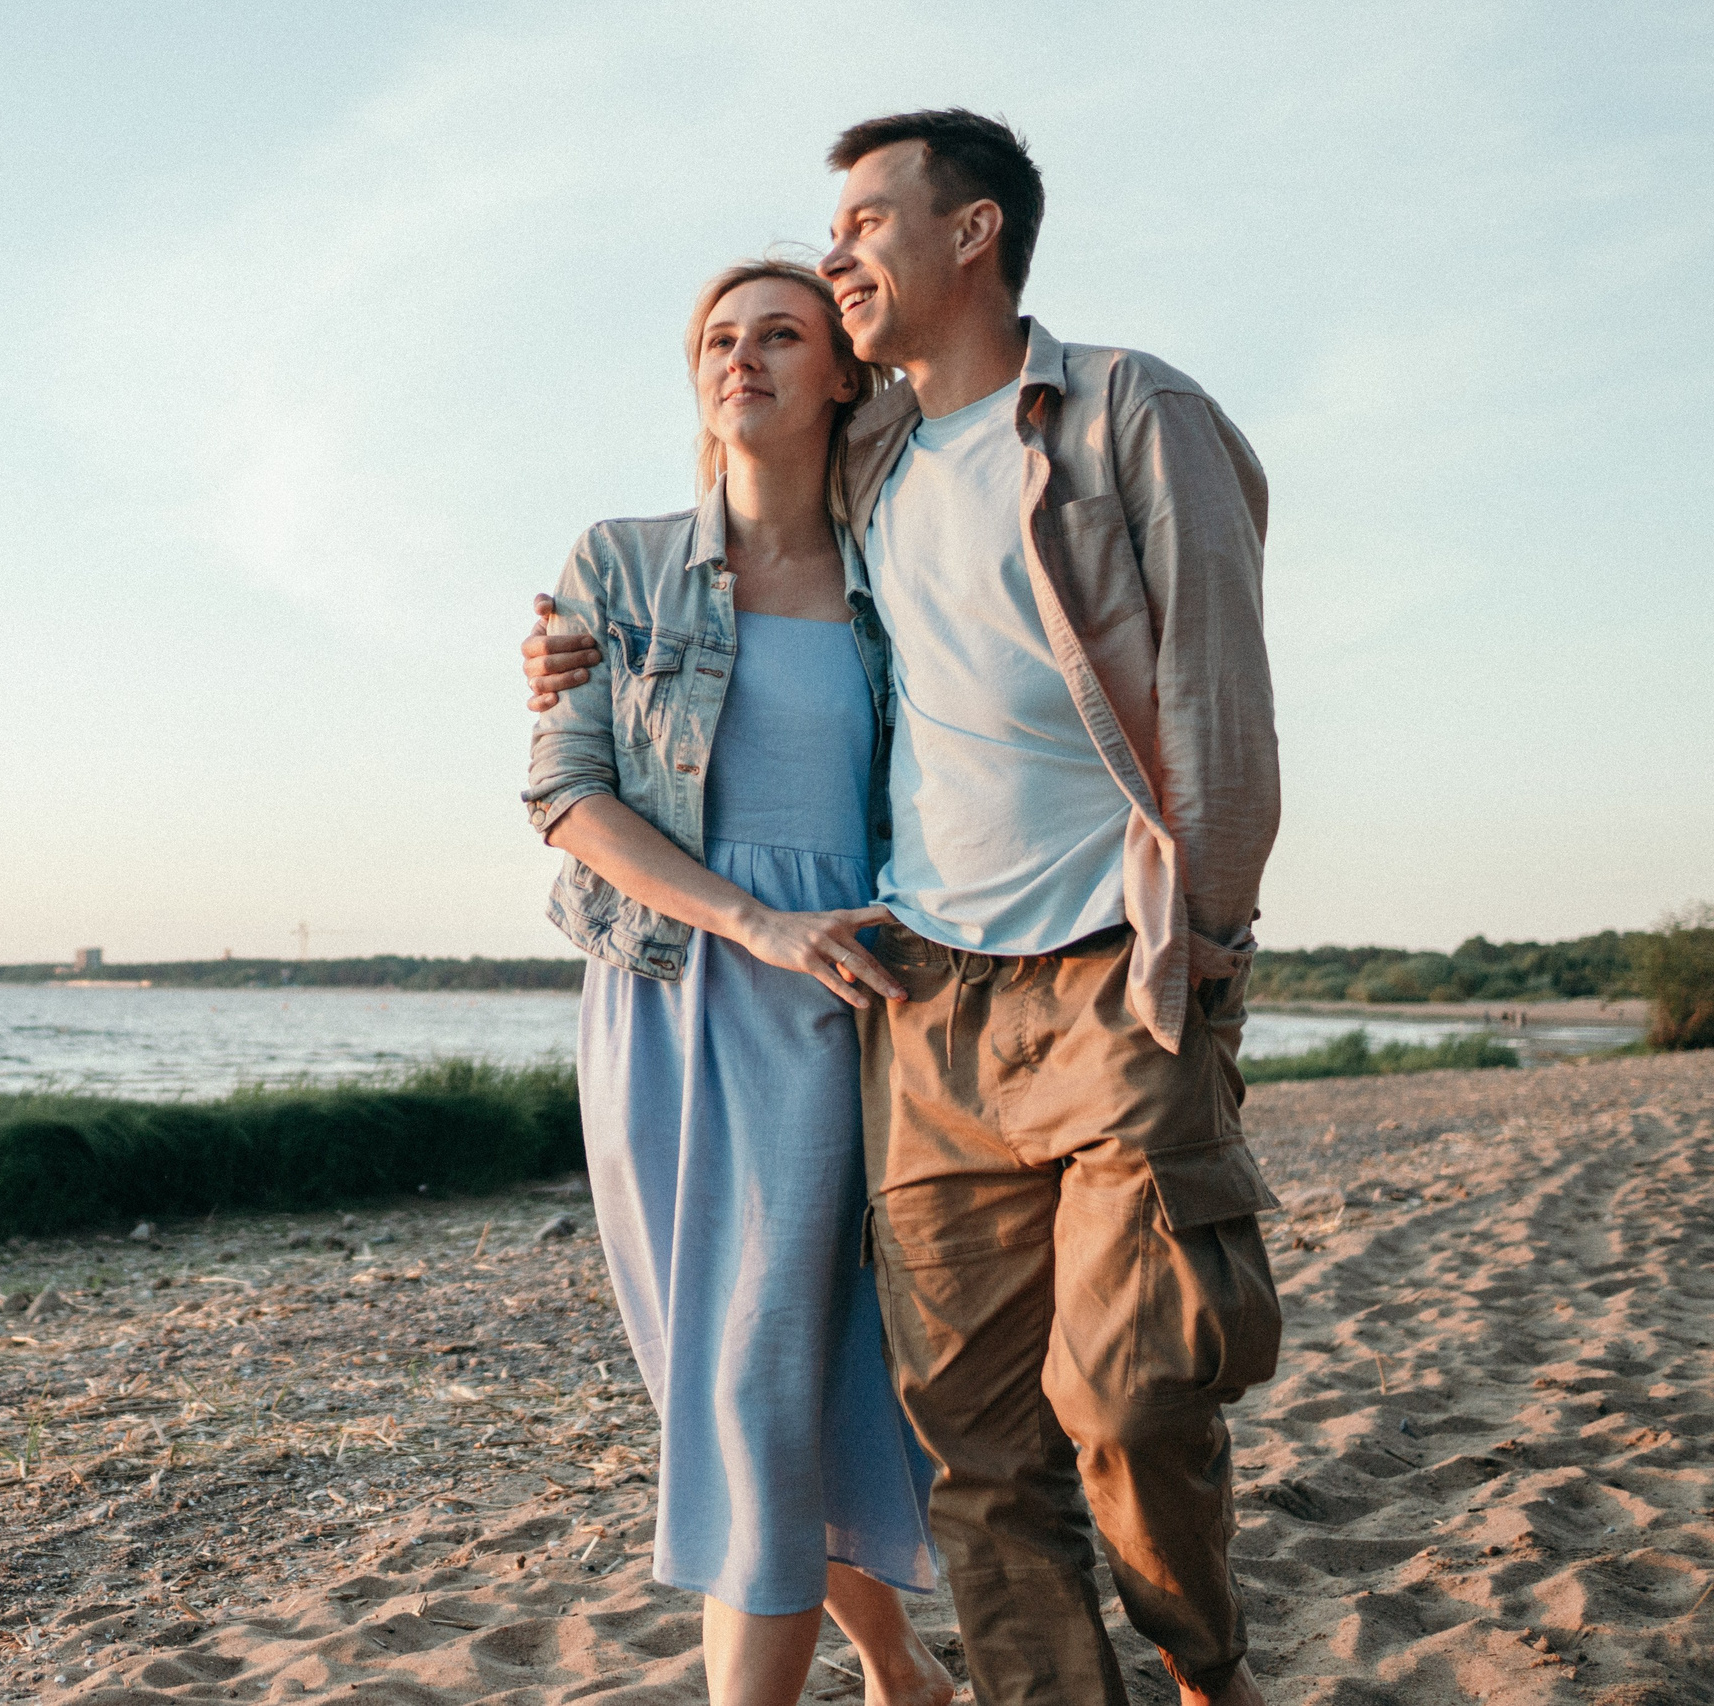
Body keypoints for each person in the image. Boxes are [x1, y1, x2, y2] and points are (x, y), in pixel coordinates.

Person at [523, 111, 1284, 1706]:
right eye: (729, 329)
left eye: (864, 229)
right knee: (950, 1438)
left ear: (974, 234)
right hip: (879, 1003)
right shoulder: (791, 498)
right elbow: (604, 738)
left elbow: (1216, 681)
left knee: (1126, 1397)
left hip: (1067, 982)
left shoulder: (1098, 419)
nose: (842, 256)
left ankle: (1201, 1669)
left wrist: (1206, 946)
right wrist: (566, 668)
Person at [520, 259, 954, 1706]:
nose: (743, 356)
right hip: (658, 998)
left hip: (839, 1007)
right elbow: (569, 797)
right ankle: (900, 1670)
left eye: (782, 334)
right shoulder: (621, 565)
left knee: (756, 1391)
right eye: (719, 336)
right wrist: (747, 921)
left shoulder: (904, 573)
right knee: (739, 1388)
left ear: (845, 372)